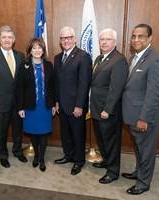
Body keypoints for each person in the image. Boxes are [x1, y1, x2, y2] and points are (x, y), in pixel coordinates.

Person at [122, 24, 159, 195]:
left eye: (141, 36)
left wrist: (144, 118)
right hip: (132, 115)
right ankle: (139, 173)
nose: (136, 40)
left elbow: (154, 93)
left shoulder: (156, 59)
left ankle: (143, 183)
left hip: (144, 117)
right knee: (140, 148)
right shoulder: (134, 58)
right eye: (134, 36)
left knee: (146, 151)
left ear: (150, 38)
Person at [0, 25, 27, 168]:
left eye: (10, 37)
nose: (7, 40)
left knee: (18, 130)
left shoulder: (20, 56)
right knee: (0, 132)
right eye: (4, 37)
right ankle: (2, 155)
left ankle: (18, 151)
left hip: (18, 103)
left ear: (14, 40)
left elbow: (24, 81)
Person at [90, 28, 128, 184]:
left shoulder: (119, 60)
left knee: (111, 142)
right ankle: (106, 161)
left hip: (107, 111)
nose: (104, 42)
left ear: (115, 42)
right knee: (102, 139)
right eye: (102, 39)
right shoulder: (99, 58)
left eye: (108, 39)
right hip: (96, 108)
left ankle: (113, 172)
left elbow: (116, 88)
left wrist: (107, 109)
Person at [54, 26, 92, 175]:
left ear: (75, 39)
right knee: (65, 133)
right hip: (62, 105)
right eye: (63, 38)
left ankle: (79, 161)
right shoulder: (58, 58)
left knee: (78, 134)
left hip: (76, 106)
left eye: (69, 37)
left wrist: (79, 105)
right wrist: (56, 101)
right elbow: (57, 83)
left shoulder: (83, 57)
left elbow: (84, 84)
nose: (66, 40)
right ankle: (68, 155)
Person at [17, 38, 55, 172]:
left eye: (40, 48)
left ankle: (42, 158)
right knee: (33, 132)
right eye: (34, 48)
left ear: (43, 50)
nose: (37, 50)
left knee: (44, 133)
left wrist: (54, 104)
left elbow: (53, 86)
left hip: (45, 105)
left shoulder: (49, 65)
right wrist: (20, 107)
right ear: (30, 51)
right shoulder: (24, 65)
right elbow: (19, 88)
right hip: (30, 106)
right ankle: (36, 155)